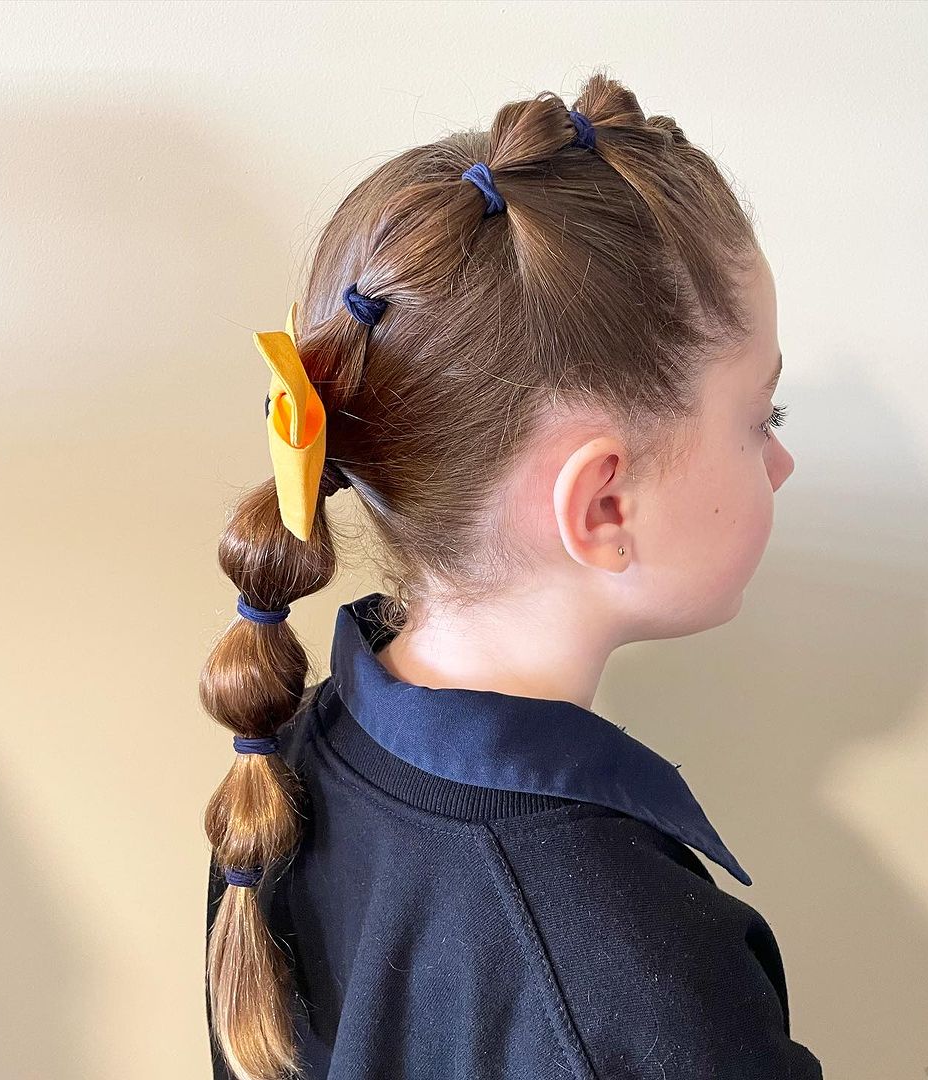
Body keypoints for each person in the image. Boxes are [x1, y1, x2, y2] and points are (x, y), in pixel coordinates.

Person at [203, 72, 821, 1080]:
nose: (783, 466)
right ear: (603, 508)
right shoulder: (642, 983)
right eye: (765, 421)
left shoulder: (279, 768)